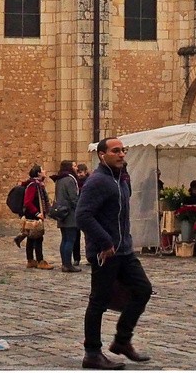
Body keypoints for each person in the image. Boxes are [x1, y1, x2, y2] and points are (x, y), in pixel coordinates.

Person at [75, 136, 153, 370]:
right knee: (98, 302)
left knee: (142, 290)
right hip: (105, 253)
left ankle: (121, 341)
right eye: (116, 151)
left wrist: (123, 240)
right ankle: (92, 353)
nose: (121, 155)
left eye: (123, 151)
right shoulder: (97, 181)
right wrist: (104, 242)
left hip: (124, 250)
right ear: (102, 155)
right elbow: (83, 215)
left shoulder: (121, 179)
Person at [20, 165, 54, 269]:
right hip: (33, 215)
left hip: (34, 214)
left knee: (31, 238)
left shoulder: (38, 184)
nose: (45, 171)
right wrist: (37, 213)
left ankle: (31, 260)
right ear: (38, 173)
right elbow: (28, 202)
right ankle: (40, 261)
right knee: (38, 238)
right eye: (42, 170)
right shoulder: (34, 185)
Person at [52, 160, 82, 272]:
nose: (76, 168)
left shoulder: (59, 179)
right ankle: (68, 264)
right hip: (69, 213)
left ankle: (65, 263)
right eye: (74, 166)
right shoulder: (70, 179)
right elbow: (73, 197)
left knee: (65, 239)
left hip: (62, 212)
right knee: (70, 239)